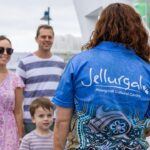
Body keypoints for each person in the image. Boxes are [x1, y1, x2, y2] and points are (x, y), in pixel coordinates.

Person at [52, 3, 150, 150]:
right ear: (136, 28)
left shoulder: (79, 63)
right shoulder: (146, 69)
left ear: (100, 27)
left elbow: (61, 121)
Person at [16, 24, 65, 134]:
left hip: (53, 120)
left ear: (53, 39)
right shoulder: (25, 63)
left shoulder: (61, 63)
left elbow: (63, 94)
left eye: (50, 37)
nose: (47, 39)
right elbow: (17, 99)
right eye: (43, 37)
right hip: (31, 120)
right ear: (36, 39)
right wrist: (20, 125)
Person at [0, 35, 24, 150]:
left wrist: (20, 137)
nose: (5, 53)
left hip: (9, 131)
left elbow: (18, 111)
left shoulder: (15, 79)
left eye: (9, 50)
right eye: (1, 49)